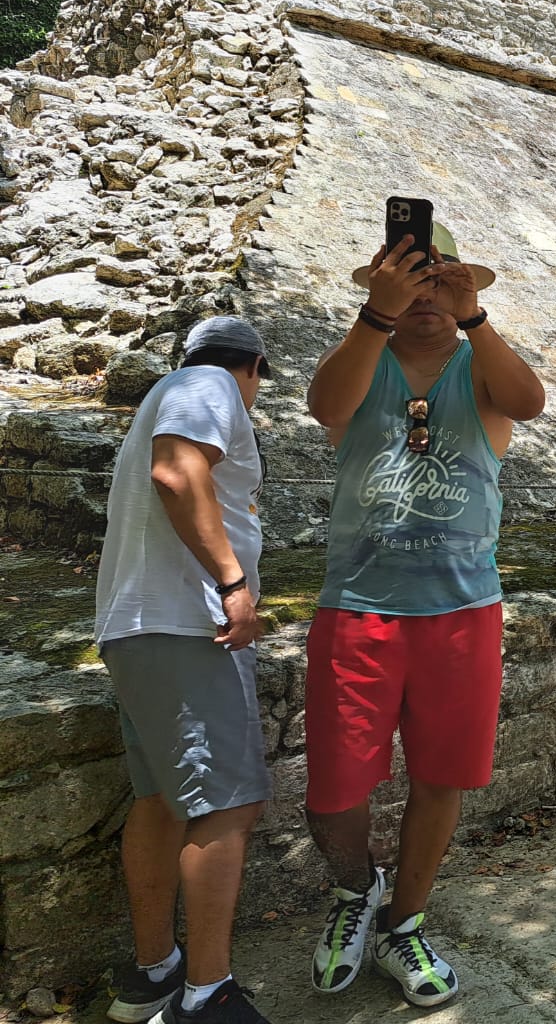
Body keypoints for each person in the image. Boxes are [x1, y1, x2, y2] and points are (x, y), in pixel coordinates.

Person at [303, 223, 545, 1006]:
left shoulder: (480, 368)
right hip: (359, 606)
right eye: (412, 280)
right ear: (383, 287)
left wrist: (477, 317)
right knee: (335, 789)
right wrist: (375, 317)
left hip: (461, 609)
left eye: (440, 280)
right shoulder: (363, 359)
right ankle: (354, 895)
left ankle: (403, 923)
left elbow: (529, 403)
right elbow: (322, 405)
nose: (427, 296)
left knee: (442, 777)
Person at [95, 317, 274, 1024]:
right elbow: (178, 470)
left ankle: (152, 976)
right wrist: (233, 582)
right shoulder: (208, 386)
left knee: (164, 802)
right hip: (184, 626)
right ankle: (208, 995)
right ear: (253, 366)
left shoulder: (165, 392)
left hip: (137, 628)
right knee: (227, 805)